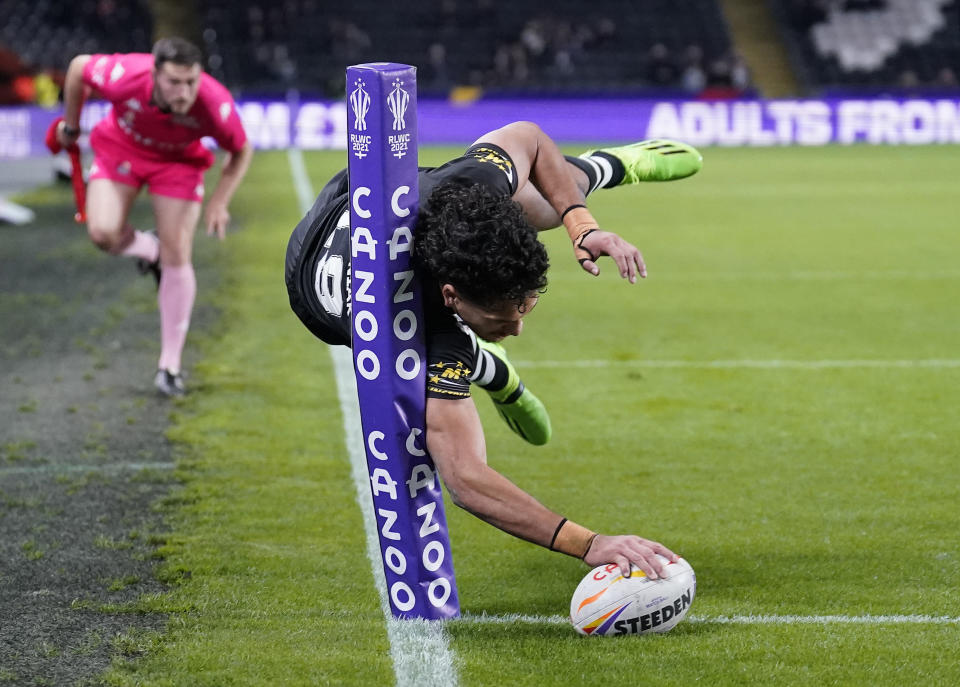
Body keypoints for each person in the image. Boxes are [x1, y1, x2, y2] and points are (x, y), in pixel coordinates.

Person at [286, 122, 701, 577]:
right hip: (314, 278)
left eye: (523, 311)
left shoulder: (465, 185)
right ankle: (490, 368)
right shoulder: (421, 331)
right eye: (504, 321)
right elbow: (465, 479)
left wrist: (581, 226)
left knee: (532, 207)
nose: (519, 330)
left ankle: (606, 167)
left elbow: (529, 136)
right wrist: (588, 543)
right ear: (452, 297)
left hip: (381, 201)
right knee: (452, 354)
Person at [56, 37, 253, 396]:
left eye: (191, 81)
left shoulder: (214, 104)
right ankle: (151, 251)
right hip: (121, 147)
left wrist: (219, 202)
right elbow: (78, 67)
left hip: (178, 164)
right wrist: (71, 125)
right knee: (102, 234)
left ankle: (170, 367)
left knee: (179, 253)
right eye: (174, 82)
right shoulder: (125, 76)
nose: (184, 92)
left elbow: (240, 150)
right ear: (154, 75)